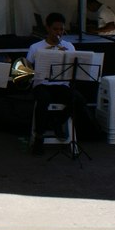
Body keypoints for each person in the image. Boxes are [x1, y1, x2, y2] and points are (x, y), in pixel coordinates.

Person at [26, 12, 87, 155]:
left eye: (61, 30)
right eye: (55, 29)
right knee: (43, 100)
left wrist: (67, 56)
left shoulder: (69, 46)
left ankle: (58, 122)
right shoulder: (36, 47)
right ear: (48, 28)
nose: (59, 33)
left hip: (61, 85)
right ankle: (39, 139)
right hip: (42, 84)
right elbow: (27, 68)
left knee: (79, 100)